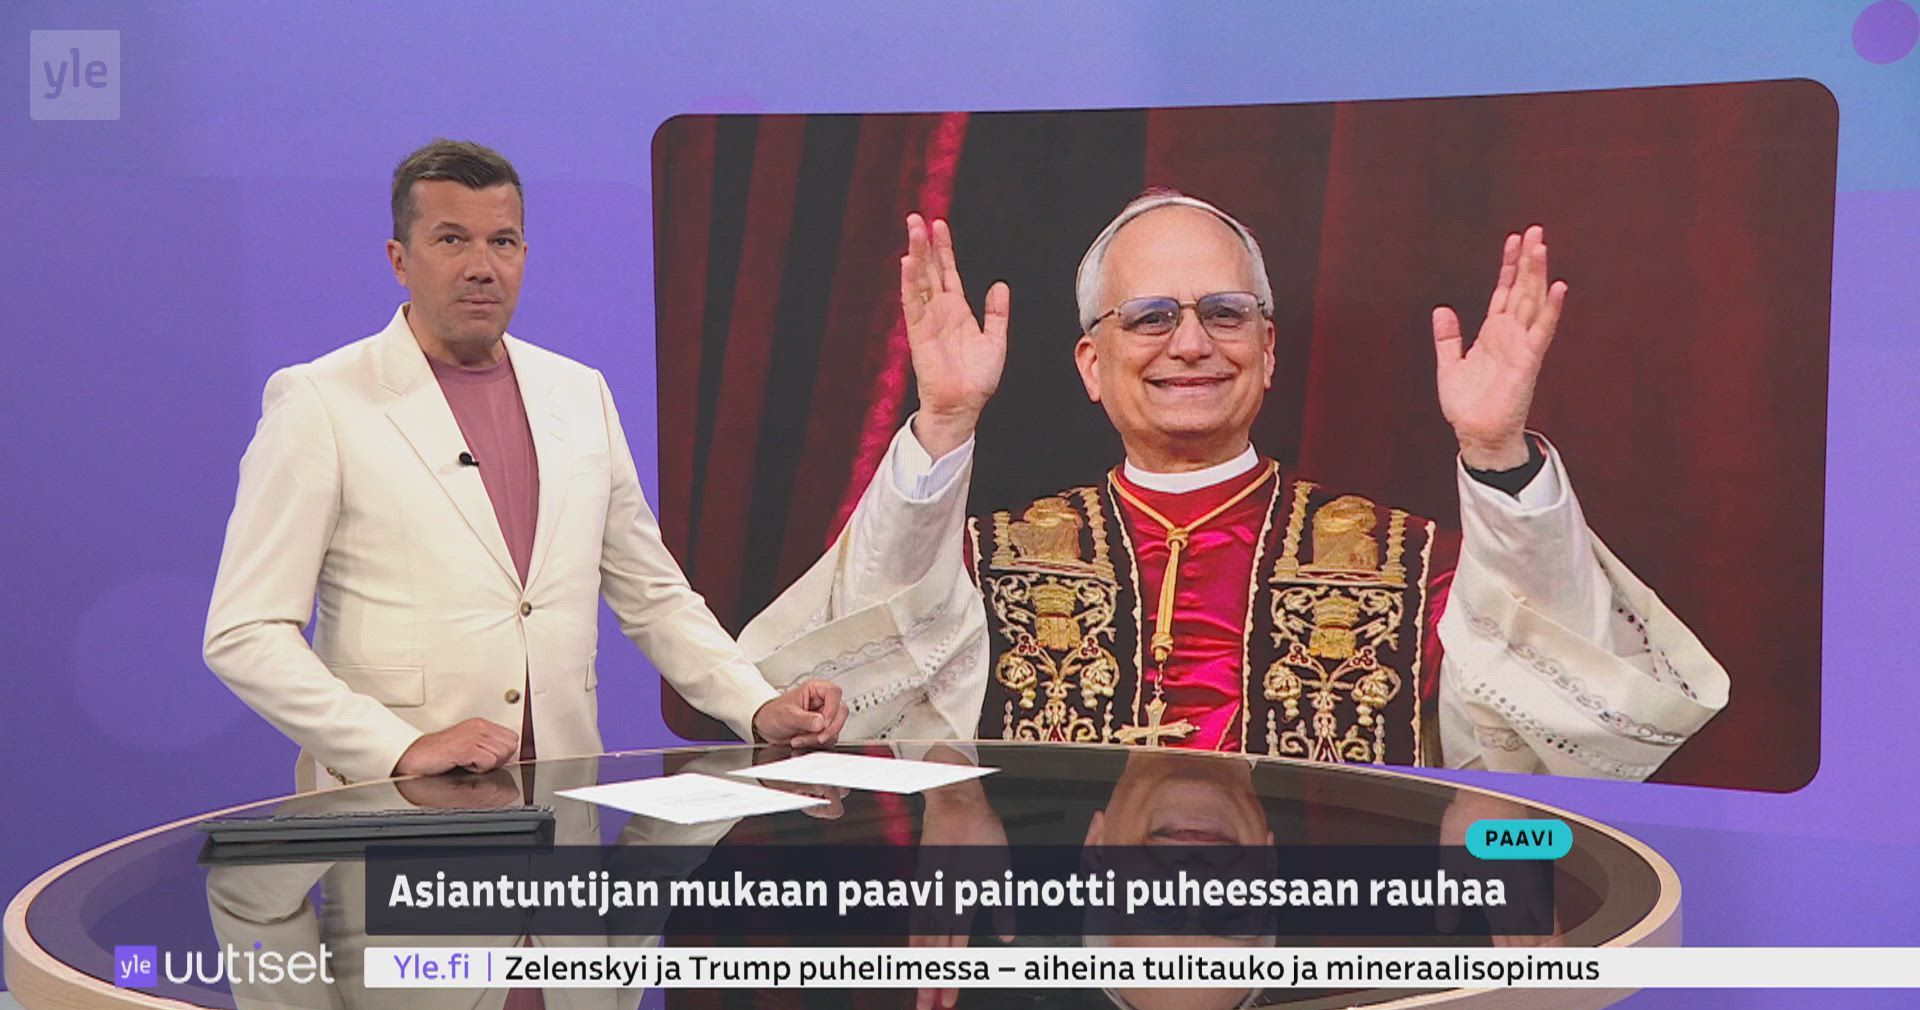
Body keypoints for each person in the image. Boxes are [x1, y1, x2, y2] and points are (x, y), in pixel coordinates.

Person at [742, 190, 1728, 779]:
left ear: (1268, 351)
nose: (1190, 344)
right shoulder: (983, 562)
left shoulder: (1411, 568)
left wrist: (1497, 452)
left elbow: (1569, 720)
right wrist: (945, 423)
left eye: (1224, 313)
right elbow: (843, 692)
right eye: (1150, 317)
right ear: (1091, 365)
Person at [204, 139, 845, 789]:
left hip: (563, 798)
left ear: (524, 255)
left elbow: (652, 595)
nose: (482, 267)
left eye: (502, 242)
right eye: (452, 240)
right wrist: (399, 747)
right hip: (394, 806)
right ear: (399, 260)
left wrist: (756, 704)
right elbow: (245, 632)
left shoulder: (579, 392)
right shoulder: (321, 400)